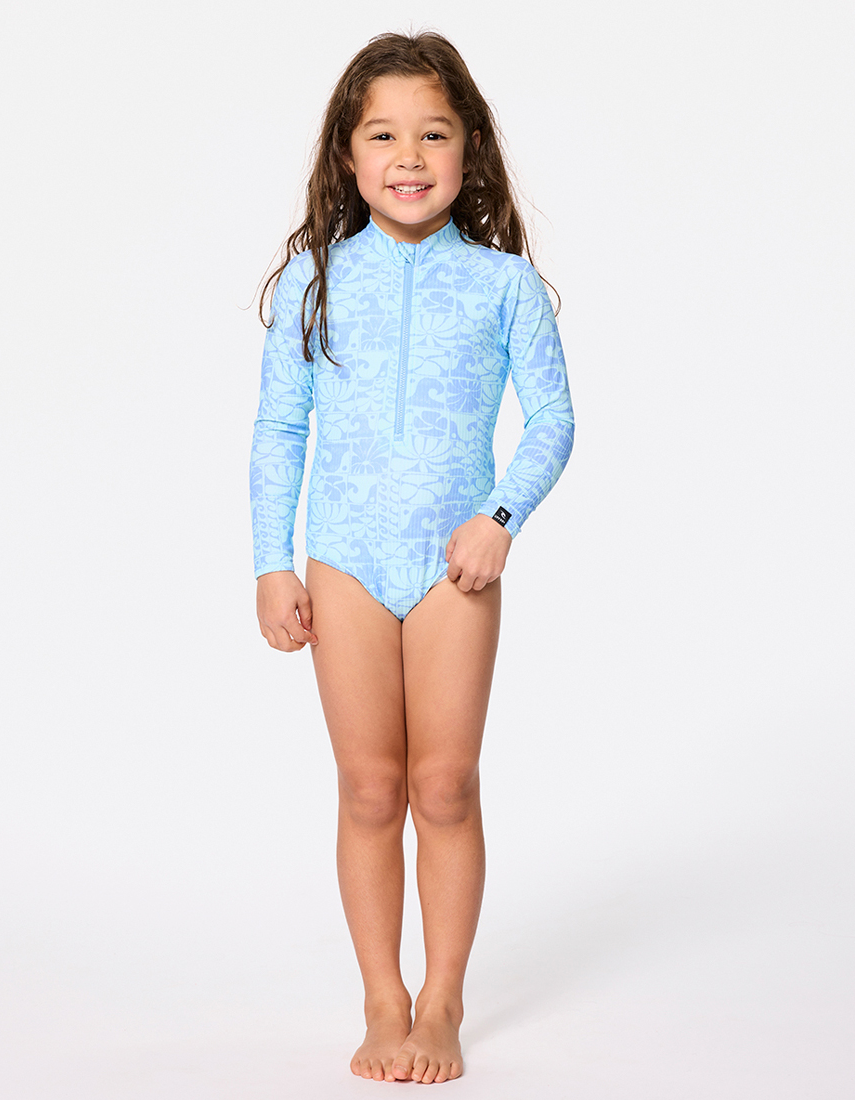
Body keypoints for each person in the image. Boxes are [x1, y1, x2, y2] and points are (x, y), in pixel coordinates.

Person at [249, 30, 574, 1085]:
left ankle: (441, 1001)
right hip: (344, 558)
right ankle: (383, 996)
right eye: (383, 135)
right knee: (368, 788)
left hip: (452, 567)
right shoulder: (314, 284)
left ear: (468, 149)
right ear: (347, 154)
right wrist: (272, 561)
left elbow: (553, 419)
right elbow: (279, 428)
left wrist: (499, 516)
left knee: (443, 785)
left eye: (433, 134)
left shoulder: (505, 285)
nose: (409, 156)